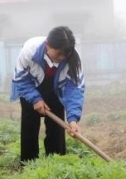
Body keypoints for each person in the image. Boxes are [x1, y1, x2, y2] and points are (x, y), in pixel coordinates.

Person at [10, 26, 85, 163]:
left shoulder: (74, 58)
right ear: (47, 46)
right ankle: (29, 165)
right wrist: (35, 99)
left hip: (56, 91)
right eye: (58, 53)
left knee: (56, 130)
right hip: (30, 88)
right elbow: (20, 79)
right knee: (29, 128)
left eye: (65, 55)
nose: (61, 58)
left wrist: (73, 119)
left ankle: (56, 165)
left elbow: (74, 89)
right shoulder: (29, 50)